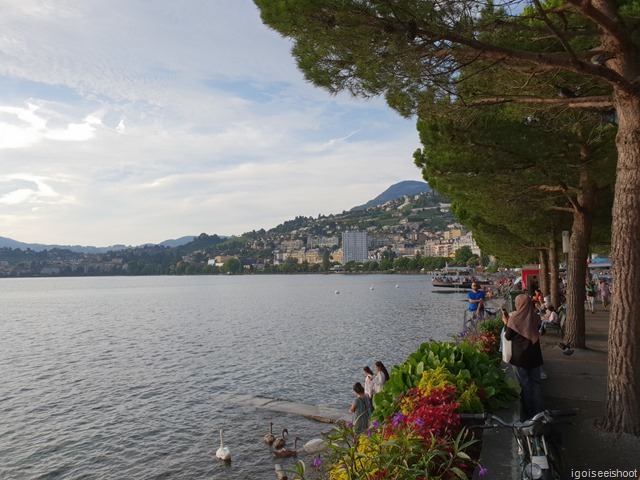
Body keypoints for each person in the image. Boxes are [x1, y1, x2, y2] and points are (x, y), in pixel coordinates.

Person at [501, 294, 544, 419]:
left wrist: (506, 322)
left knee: (524, 384)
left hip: (521, 358)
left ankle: (529, 413)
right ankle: (539, 412)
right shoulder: (535, 317)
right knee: (536, 383)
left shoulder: (514, 319)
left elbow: (508, 336)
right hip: (535, 356)